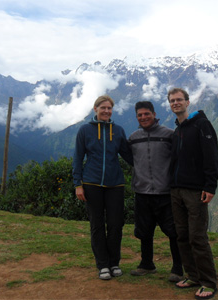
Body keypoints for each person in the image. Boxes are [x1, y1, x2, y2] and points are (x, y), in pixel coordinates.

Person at [72, 95, 133, 280]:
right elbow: (77, 157)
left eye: (109, 108)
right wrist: (77, 184)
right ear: (95, 109)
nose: (106, 111)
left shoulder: (119, 131)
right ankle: (103, 265)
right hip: (91, 183)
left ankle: (114, 263)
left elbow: (129, 156)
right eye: (103, 108)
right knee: (97, 225)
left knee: (115, 225)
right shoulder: (84, 130)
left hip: (115, 183)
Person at [168, 88, 218, 299]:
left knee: (197, 237)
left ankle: (208, 282)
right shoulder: (178, 130)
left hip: (195, 191)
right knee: (182, 235)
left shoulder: (201, 125)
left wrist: (210, 186)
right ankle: (193, 275)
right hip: (176, 190)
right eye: (172, 100)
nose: (175, 103)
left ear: (188, 102)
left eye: (179, 100)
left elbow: (211, 156)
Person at [128, 101, 184, 282]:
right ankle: (146, 264)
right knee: (144, 231)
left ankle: (177, 268)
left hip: (165, 193)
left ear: (154, 114)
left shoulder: (169, 135)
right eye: (140, 115)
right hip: (142, 193)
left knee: (173, 232)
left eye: (146, 114)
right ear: (136, 117)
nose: (143, 117)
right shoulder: (134, 138)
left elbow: (178, 158)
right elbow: (131, 159)